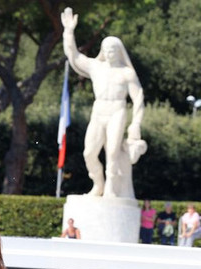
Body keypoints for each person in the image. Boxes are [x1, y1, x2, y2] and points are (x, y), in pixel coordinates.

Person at [61, 8, 146, 199]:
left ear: (119, 51)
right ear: (102, 51)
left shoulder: (127, 73)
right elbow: (74, 56)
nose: (109, 53)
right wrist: (68, 32)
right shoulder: (96, 67)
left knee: (113, 152)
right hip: (99, 110)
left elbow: (138, 97)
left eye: (113, 50)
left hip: (117, 110)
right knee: (89, 152)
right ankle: (98, 184)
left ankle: (111, 189)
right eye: (106, 49)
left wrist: (136, 124)